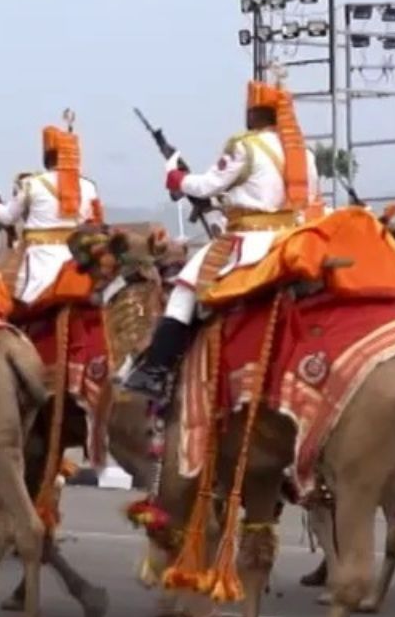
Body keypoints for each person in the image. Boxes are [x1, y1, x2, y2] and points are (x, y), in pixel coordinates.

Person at [121, 78, 318, 400]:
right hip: (292, 240)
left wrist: (176, 176)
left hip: (250, 242)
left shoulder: (245, 145)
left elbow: (206, 186)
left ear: (254, 113)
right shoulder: (303, 153)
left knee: (184, 291)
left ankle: (156, 370)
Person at [0, 121, 101, 308]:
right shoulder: (89, 187)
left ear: (47, 156)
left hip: (40, 257)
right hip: (75, 259)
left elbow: (7, 217)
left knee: (27, 302)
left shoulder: (32, 184)